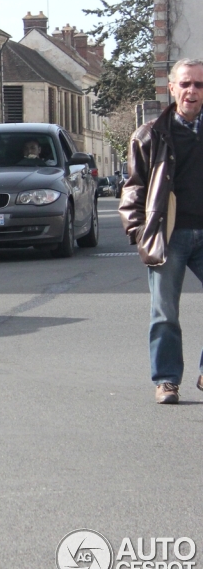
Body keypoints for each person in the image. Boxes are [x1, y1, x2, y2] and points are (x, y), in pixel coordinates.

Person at [121, 58, 203, 404]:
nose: (192, 91)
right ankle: (167, 380)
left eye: (198, 85)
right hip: (168, 235)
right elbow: (134, 188)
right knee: (165, 312)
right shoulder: (150, 135)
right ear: (172, 89)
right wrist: (139, 231)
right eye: (185, 84)